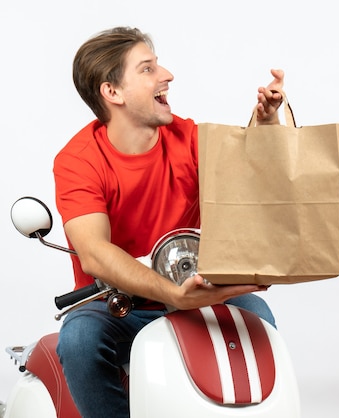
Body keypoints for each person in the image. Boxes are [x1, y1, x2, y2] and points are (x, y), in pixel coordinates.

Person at [52, 26, 284, 418]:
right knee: (79, 340)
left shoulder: (189, 138)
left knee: (256, 317)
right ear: (113, 93)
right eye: (147, 69)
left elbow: (251, 180)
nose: (167, 75)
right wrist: (171, 294)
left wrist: (265, 126)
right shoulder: (78, 160)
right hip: (117, 306)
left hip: (198, 289)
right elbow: (94, 253)